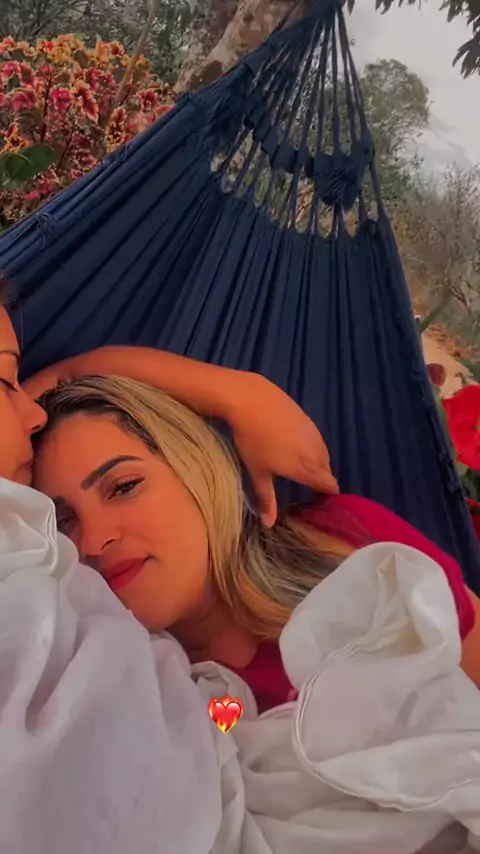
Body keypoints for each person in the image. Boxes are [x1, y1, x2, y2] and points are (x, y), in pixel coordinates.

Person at [32, 373, 480, 715]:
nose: (93, 540)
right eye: (64, 519)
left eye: (124, 486)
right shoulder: (134, 696)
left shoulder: (348, 542)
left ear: (197, 468)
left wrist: (240, 395)